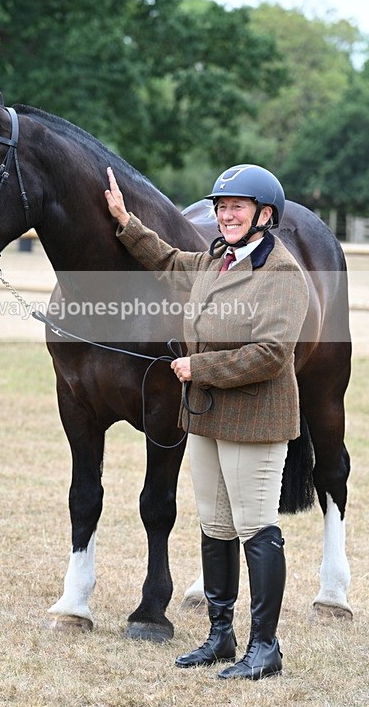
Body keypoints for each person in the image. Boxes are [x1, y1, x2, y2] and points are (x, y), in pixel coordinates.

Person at [104, 163, 309, 680]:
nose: (225, 215)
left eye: (237, 206)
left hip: (255, 418)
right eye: (221, 207)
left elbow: (272, 353)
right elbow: (171, 261)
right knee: (214, 525)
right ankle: (220, 636)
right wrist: (127, 223)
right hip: (206, 414)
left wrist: (200, 368)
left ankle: (266, 648)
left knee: (255, 527)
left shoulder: (282, 273)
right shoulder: (218, 258)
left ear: (265, 214)